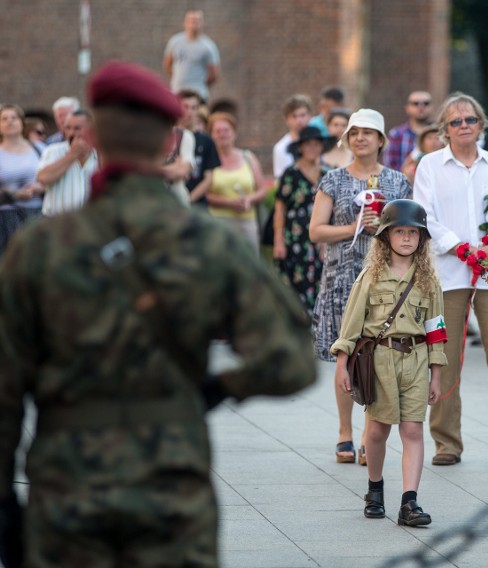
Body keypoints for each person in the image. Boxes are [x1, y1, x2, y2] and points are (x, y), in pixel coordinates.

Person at [0, 60, 315, 568]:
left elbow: (5, 392)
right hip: (172, 491)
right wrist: (216, 389)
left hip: (67, 492)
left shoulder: (40, 248)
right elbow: (293, 359)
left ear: (94, 135)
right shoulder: (207, 243)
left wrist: (4, 510)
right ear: (170, 141)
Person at [413, 92, 488, 466]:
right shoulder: (430, 165)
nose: (464, 126)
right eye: (456, 121)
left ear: (482, 124)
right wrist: (461, 248)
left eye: (470, 120)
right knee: (444, 358)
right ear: (444, 130)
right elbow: (424, 217)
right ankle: (447, 443)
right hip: (447, 274)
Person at [332, 199, 446, 526]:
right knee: (378, 430)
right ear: (386, 237)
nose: (407, 238)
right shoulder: (371, 276)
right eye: (400, 232)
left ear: (422, 238)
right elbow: (351, 324)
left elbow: (437, 331)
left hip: (416, 359)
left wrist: (435, 376)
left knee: (412, 429)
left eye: (413, 232)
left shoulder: (429, 281)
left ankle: (409, 502)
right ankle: (375, 489)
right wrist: (342, 364)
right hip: (379, 360)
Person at [309, 108, 411, 464]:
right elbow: (316, 231)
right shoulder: (333, 180)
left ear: (381, 140)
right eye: (354, 133)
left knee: (377, 355)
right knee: (346, 355)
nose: (361, 139)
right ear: (347, 140)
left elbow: (408, 233)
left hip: (384, 279)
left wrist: (380, 228)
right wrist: (354, 226)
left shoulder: (398, 182)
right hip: (341, 278)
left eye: (368, 133)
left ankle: (371, 434)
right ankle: (344, 432)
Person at [272, 126, 332, 315]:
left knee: (320, 279)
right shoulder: (290, 173)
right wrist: (278, 240)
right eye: (308, 145)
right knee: (294, 279)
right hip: (294, 234)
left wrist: (326, 240)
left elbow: (332, 210)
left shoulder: (327, 174)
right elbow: (280, 209)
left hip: (320, 234)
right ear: (301, 147)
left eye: (316, 144)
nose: (313, 148)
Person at [205, 112, 267, 251]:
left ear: (234, 133)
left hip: (247, 221)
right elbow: (203, 193)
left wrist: (249, 200)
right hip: (218, 221)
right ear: (211, 135)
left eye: (226, 130)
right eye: (218, 131)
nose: (222, 134)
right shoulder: (208, 160)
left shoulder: (248, 157)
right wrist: (229, 203)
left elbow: (263, 190)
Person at [36, 109, 98, 216]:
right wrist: (72, 154)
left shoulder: (99, 154)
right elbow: (43, 178)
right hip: (57, 223)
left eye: (77, 128)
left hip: (89, 224)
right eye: (67, 128)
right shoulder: (53, 151)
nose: (71, 133)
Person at [0, 104, 43, 253]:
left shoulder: (40, 149)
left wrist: (42, 187)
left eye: (14, 118)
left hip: (36, 214)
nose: (9, 122)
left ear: (22, 122)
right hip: (6, 218)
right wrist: (14, 194)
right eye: (4, 119)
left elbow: (52, 179)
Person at [163, 10, 220, 102]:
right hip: (177, 91)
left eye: (197, 21)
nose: (193, 24)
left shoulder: (208, 47)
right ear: (184, 23)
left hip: (198, 94)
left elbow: (213, 75)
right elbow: (167, 65)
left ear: (202, 24)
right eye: (191, 21)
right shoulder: (175, 42)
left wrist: (198, 83)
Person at [177, 89, 220, 206]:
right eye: (185, 107)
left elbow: (209, 179)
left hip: (197, 204)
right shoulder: (169, 137)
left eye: (194, 107)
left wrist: (188, 200)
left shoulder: (206, 141)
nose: (189, 112)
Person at [384, 91, 433, 172]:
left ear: (432, 107)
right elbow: (390, 169)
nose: (421, 107)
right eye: (416, 103)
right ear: (407, 108)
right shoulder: (396, 134)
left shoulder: (440, 133)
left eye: (426, 103)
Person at [272, 95, 313, 179]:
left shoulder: (319, 143)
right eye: (294, 116)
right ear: (287, 120)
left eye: (302, 115)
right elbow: (281, 179)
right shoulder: (281, 148)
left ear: (310, 116)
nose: (299, 121)